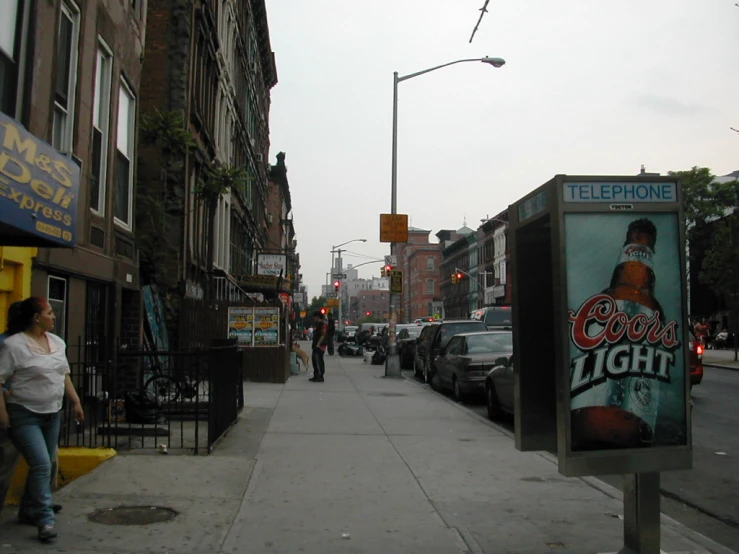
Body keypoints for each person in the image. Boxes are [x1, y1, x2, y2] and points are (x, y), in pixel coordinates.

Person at [0, 297, 85, 541]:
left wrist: (76, 401)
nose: (54, 316)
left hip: (52, 413)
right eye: (50, 312)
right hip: (24, 414)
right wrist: (3, 412)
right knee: (41, 464)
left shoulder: (57, 343)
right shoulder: (13, 345)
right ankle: (45, 519)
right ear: (37, 317)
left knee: (46, 464)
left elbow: (64, 375)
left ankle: (29, 509)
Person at [310, 311, 327, 382]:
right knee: (315, 360)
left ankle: (319, 376)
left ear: (317, 317)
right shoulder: (319, 324)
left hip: (320, 346)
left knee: (318, 360)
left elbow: (323, 335)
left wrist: (318, 344)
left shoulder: (323, 325)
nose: (313, 319)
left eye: (314, 317)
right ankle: (316, 375)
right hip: (317, 345)